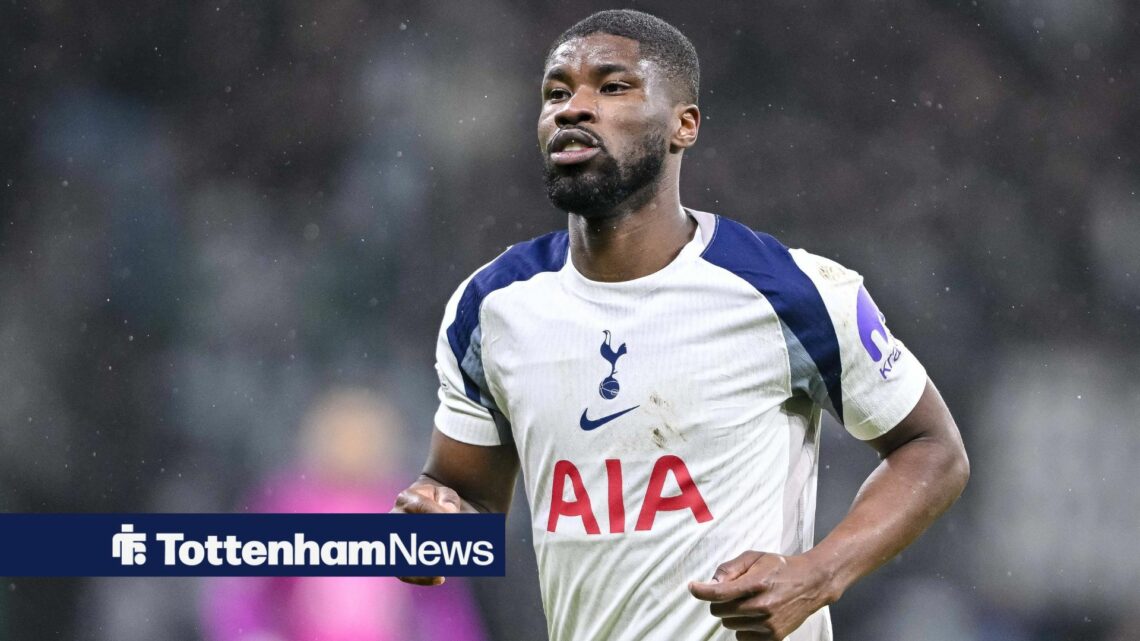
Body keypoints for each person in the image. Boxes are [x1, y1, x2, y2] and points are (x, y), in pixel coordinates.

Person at [393, 9, 969, 641]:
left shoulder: (791, 290)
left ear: (683, 125)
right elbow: (465, 499)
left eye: (612, 87)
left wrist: (817, 575)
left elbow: (932, 450)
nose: (573, 108)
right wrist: (433, 527)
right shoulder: (492, 305)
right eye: (557, 93)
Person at [203, 389, 487, 641]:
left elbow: (446, 607)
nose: (353, 450)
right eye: (344, 438)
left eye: (364, 438)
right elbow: (242, 593)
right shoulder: (292, 505)